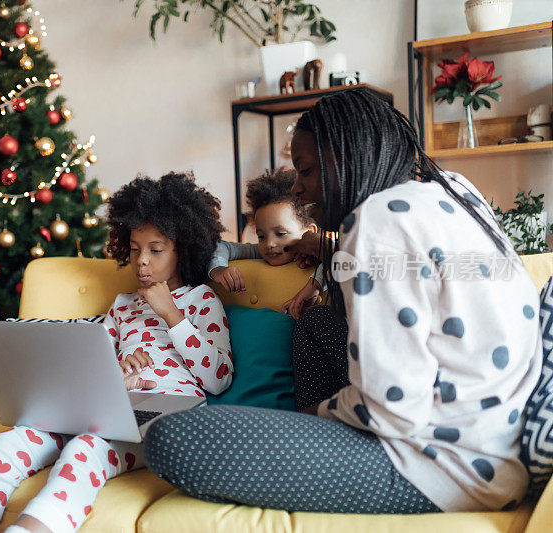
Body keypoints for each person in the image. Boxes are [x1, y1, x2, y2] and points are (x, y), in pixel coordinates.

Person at [144, 89, 542, 514]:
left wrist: (319, 415)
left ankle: (315, 431)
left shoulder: (377, 220)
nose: (297, 188)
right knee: (316, 326)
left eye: (307, 170)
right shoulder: (454, 190)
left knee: (170, 438)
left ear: (345, 160)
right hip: (498, 439)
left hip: (442, 465)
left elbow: (397, 412)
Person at [0, 172, 233, 533]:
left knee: (87, 447)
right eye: (135, 248)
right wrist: (117, 371)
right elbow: (91, 362)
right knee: (10, 441)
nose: (142, 261)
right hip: (111, 404)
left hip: (170, 412)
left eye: (156, 250)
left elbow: (218, 379)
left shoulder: (201, 300)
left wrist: (170, 313)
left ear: (184, 250)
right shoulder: (123, 305)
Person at [207, 168, 324, 315]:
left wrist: (314, 285)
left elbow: (337, 258)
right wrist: (218, 269)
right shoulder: (260, 252)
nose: (269, 244)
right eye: (261, 236)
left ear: (310, 232)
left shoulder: (322, 258)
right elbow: (221, 246)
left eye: (281, 233)